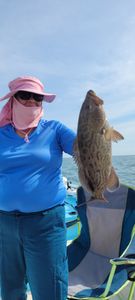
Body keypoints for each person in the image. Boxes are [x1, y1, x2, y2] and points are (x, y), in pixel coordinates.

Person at [0, 76, 76, 300]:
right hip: (3, 223)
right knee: (10, 289)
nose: (32, 101)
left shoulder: (55, 130)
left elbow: (87, 150)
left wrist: (97, 127)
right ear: (13, 100)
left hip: (45, 224)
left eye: (38, 97)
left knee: (49, 289)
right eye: (25, 95)